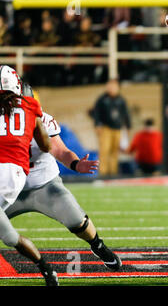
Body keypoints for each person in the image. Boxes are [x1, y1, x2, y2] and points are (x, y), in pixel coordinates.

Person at [5, 83, 122, 271]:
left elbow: (60, 150)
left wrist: (76, 164)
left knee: (78, 221)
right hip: (9, 188)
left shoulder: (42, 120)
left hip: (45, 186)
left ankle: (98, 245)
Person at [0, 65, 58, 286]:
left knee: (10, 237)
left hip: (8, 173)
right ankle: (46, 268)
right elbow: (45, 145)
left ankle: (46, 267)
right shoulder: (31, 105)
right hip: (15, 174)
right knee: (10, 237)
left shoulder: (29, 106)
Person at [92, 78, 132, 176]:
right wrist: (97, 125)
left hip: (117, 129)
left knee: (115, 152)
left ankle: (113, 173)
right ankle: (103, 173)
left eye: (113, 86)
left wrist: (128, 127)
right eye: (109, 86)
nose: (111, 88)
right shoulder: (102, 99)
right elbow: (96, 113)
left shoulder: (121, 100)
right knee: (104, 151)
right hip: (106, 128)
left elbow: (126, 114)